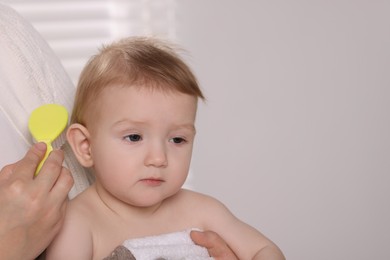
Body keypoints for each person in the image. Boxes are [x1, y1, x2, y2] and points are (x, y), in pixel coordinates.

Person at [46, 37, 285, 259]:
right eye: (134, 137)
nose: (159, 158)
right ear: (86, 147)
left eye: (177, 140)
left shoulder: (202, 211)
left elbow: (264, 249)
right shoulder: (78, 223)